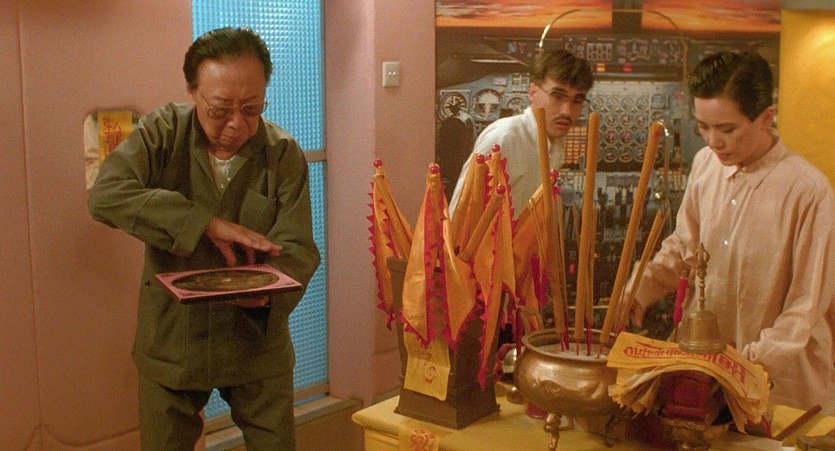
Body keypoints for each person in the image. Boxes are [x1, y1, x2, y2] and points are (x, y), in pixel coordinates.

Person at [88, 27, 321, 449]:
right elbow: (106, 195)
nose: (237, 124)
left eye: (252, 108)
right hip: (172, 340)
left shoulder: (282, 152)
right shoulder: (162, 133)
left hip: (255, 342)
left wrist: (267, 293)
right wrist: (205, 223)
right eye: (220, 109)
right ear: (192, 91)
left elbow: (299, 249)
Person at [629, 50, 834, 413]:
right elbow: (684, 248)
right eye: (703, 127)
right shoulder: (705, 164)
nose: (713, 141)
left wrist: (741, 366)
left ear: (766, 118)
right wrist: (636, 291)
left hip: (782, 390)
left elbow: (802, 311)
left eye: (726, 129)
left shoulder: (809, 191)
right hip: (705, 375)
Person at [447, 49, 594, 217]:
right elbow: (458, 215)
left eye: (577, 100)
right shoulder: (504, 137)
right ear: (533, 93)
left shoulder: (555, 144)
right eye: (557, 96)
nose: (567, 111)